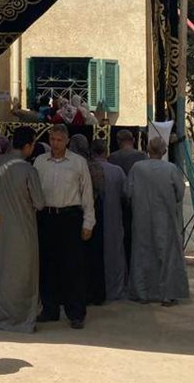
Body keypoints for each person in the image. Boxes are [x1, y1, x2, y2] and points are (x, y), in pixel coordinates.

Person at [0, 126, 46, 332]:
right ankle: (17, 319)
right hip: (22, 230)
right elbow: (40, 203)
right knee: (20, 275)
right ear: (28, 146)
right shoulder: (28, 170)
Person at [33, 123, 95, 328]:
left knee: (72, 267)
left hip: (70, 217)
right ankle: (50, 308)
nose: (55, 144)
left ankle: (76, 313)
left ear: (67, 141)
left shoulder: (78, 163)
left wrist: (88, 222)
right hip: (47, 217)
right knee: (47, 265)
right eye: (52, 139)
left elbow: (87, 193)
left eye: (59, 140)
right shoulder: (40, 162)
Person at [126, 136, 190, 305]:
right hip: (165, 218)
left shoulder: (137, 168)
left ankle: (142, 293)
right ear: (164, 151)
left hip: (141, 218)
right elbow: (179, 193)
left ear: (147, 149)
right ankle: (167, 294)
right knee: (167, 255)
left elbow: (128, 192)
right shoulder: (171, 169)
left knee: (141, 254)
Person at [92, 139, 129, 301]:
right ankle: (115, 290)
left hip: (93, 221)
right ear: (106, 151)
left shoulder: (88, 169)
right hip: (114, 217)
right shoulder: (117, 171)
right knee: (115, 253)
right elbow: (125, 193)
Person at [72, 134, 106, 306]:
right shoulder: (95, 166)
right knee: (94, 256)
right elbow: (101, 188)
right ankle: (95, 293)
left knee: (78, 257)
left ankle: (80, 294)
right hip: (94, 212)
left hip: (77, 213)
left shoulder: (74, 165)